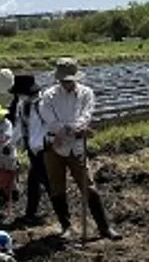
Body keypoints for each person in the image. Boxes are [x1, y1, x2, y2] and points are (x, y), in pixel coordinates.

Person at [38, 58, 120, 241]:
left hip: (76, 146)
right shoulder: (48, 96)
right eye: (63, 80)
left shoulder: (86, 93)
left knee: (89, 186)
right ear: (58, 79)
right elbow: (48, 119)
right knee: (57, 187)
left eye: (69, 79)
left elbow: (86, 116)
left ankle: (104, 227)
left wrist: (70, 129)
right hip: (54, 146)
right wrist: (67, 129)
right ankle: (66, 226)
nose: (66, 82)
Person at [16, 75, 50, 226]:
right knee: (38, 181)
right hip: (32, 148)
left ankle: (33, 214)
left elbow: (50, 125)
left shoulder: (43, 104)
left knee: (40, 181)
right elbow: (21, 126)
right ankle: (31, 214)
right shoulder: (23, 105)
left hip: (44, 148)